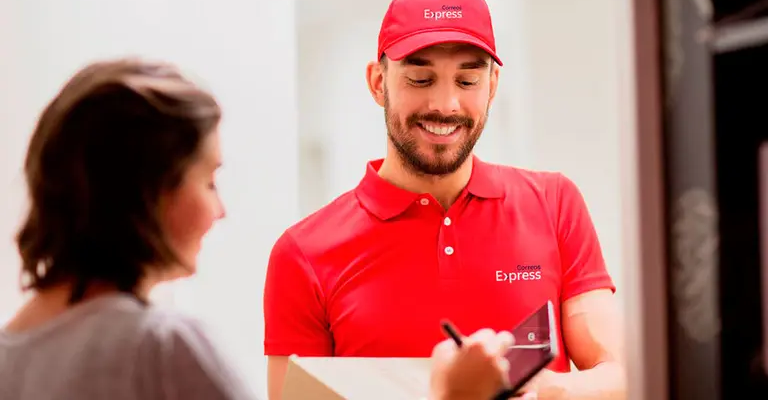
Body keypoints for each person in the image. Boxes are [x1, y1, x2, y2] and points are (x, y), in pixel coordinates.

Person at [0, 58, 524, 400]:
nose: (219, 211)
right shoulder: (159, 349)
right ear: (149, 191)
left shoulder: (10, 357)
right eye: (209, 181)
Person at [263, 0, 626, 400]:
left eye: (467, 81)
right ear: (378, 82)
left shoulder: (555, 203)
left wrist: (534, 393)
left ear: (492, 85)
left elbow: (620, 377)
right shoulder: (302, 254)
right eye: (420, 79)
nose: (446, 104)